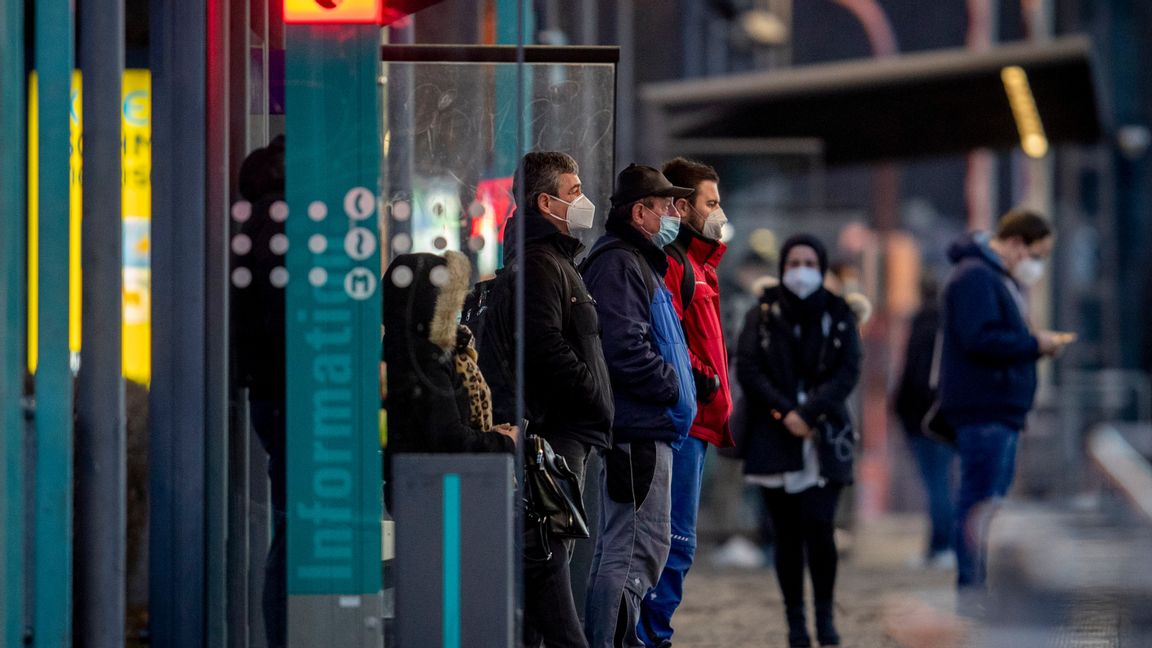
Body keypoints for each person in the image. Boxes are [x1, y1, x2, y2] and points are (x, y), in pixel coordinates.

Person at [478, 151, 614, 648]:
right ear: (545, 201)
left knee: (547, 574)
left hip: (565, 432)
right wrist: (595, 396)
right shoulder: (539, 263)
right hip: (556, 436)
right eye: (573, 191)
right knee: (549, 569)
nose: (582, 200)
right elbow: (545, 347)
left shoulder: (552, 257)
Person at [580, 164, 696, 648]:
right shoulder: (620, 263)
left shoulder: (637, 260)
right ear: (640, 212)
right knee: (633, 554)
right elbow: (625, 346)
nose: (674, 214)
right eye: (665, 205)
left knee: (632, 550)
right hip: (640, 431)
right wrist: (671, 387)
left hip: (647, 429)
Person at [938, 209, 1070, 613]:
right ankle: (972, 592)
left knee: (988, 504)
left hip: (998, 409)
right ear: (1016, 243)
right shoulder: (977, 276)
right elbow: (981, 339)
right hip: (985, 409)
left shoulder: (991, 276)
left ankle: (979, 589)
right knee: (980, 504)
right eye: (1038, 253)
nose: (1038, 264)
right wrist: (1035, 345)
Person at [736, 234, 862, 648]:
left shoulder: (840, 312)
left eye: (810, 261)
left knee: (820, 526)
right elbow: (750, 369)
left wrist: (810, 414)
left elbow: (848, 371)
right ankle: (795, 622)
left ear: (822, 267)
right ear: (782, 267)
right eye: (793, 262)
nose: (801, 270)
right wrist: (785, 412)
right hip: (775, 437)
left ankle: (825, 616)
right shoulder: (763, 313)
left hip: (825, 436)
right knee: (786, 535)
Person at [638, 157, 733, 648]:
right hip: (684, 424)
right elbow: (665, 339)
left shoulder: (697, 264)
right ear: (683, 206)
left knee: (675, 544)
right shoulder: (675, 264)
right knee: (673, 544)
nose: (719, 212)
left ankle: (652, 634)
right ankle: (651, 637)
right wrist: (705, 381)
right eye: (711, 202)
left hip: (697, 421)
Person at [382, 251, 518, 502]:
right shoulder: (424, 357)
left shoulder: (419, 350)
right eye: (447, 298)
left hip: (429, 488)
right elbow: (447, 437)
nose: (454, 306)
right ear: (430, 301)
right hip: (432, 493)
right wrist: (503, 442)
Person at [231, 135, 287, 648]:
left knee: (292, 524)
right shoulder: (282, 220)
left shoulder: (264, 218)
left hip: (273, 389)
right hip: (289, 389)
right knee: (295, 529)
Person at [893, 275, 955, 569]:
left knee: (936, 485)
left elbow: (914, 377)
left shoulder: (922, 324)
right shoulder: (948, 325)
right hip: (942, 417)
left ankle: (941, 545)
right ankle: (941, 545)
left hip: (923, 419)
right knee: (942, 482)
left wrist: (902, 409)